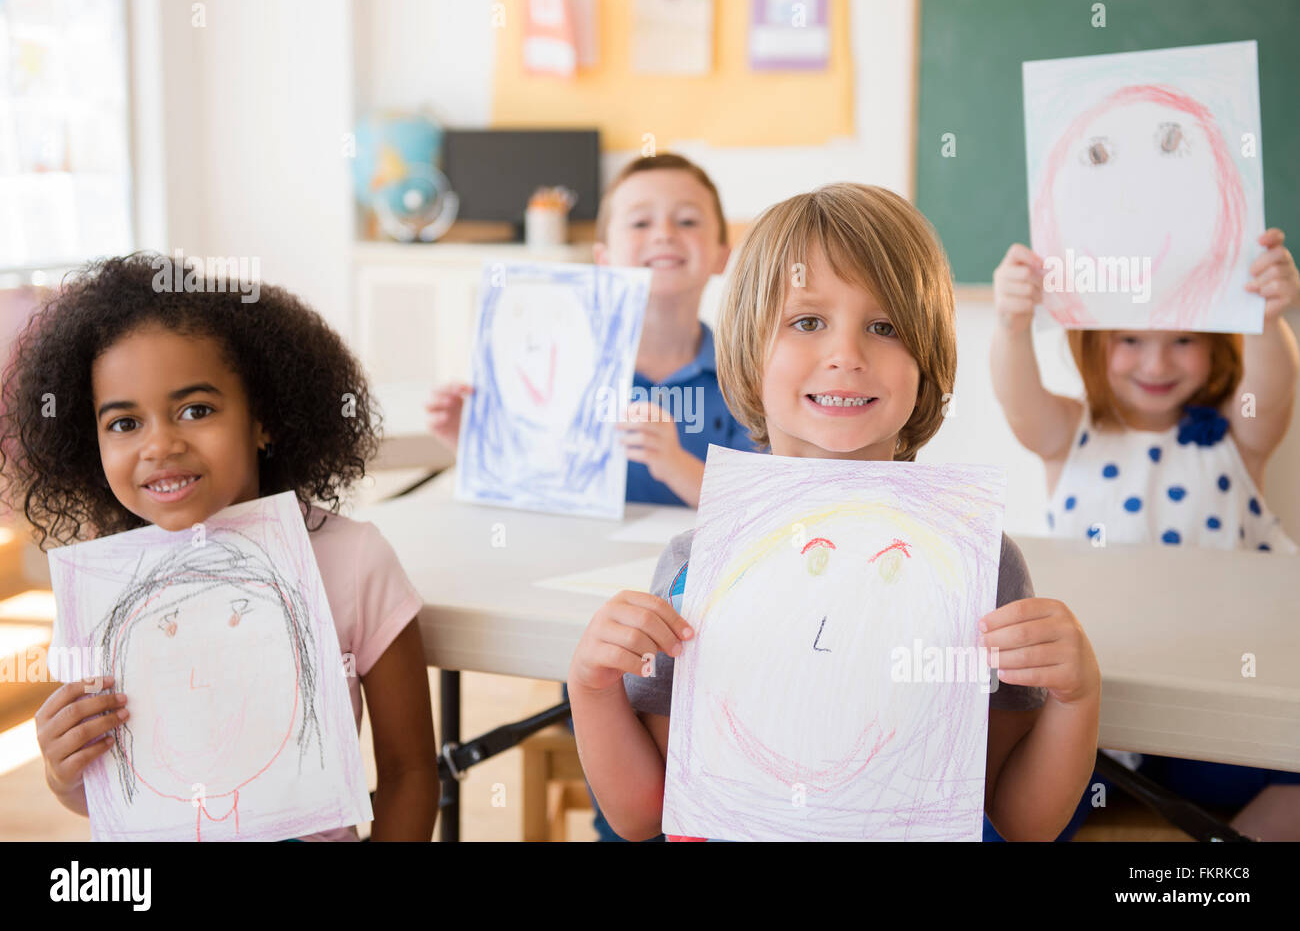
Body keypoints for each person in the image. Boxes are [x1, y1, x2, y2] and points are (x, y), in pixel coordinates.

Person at [568, 184, 1102, 842]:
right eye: (807, 321)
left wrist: (1078, 698)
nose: (847, 354)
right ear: (749, 350)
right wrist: (590, 686)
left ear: (926, 362)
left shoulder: (978, 564)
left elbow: (1019, 820)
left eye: (884, 327)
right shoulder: (698, 560)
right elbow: (641, 813)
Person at [1, 253, 439, 841]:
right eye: (125, 423)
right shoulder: (103, 589)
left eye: (196, 410)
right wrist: (61, 769)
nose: (160, 444)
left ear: (264, 419)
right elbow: (112, 793)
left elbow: (411, 770)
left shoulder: (354, 561)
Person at [428, 154, 757, 840]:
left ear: (722, 252)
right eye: (641, 221)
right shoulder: (568, 368)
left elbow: (760, 515)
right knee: (618, 732)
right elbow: (530, 494)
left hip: (708, 632)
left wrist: (676, 464)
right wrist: (477, 444)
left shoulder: (746, 377)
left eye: (689, 220)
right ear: (604, 256)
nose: (665, 233)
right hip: (588, 621)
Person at [989, 230, 1300, 839]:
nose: (1156, 364)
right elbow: (1018, 398)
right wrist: (1011, 323)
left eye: (1183, 340)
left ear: (1218, 344)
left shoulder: (1239, 436)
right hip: (1097, 718)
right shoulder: (1070, 432)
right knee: (1033, 797)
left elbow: (1275, 389)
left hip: (1211, 713)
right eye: (1130, 340)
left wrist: (1268, 316)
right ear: (1093, 343)